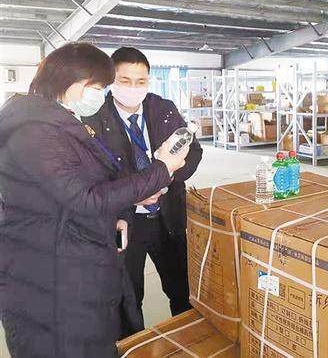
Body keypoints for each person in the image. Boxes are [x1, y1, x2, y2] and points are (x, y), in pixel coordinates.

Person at [0, 43, 188, 358]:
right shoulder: (35, 131)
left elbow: (91, 182)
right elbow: (86, 197)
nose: (100, 95)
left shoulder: (60, 121)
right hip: (49, 276)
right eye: (98, 86)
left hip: (76, 258)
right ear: (68, 79)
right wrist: (161, 169)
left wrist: (120, 214)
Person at [84, 47, 203, 333]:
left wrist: (164, 181)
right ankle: (134, 346)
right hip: (124, 222)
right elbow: (92, 178)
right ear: (111, 81)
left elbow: (193, 152)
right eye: (124, 81)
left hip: (167, 217)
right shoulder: (93, 119)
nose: (133, 88)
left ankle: (187, 342)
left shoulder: (163, 109)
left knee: (183, 290)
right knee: (128, 299)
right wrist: (133, 194)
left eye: (141, 81)